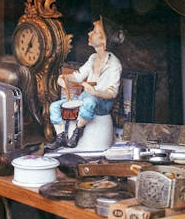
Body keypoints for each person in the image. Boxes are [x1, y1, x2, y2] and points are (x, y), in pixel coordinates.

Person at [45, 16, 125, 150]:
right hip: (87, 98)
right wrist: (64, 78)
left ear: (104, 40)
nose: (89, 33)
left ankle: (77, 132)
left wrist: (95, 92)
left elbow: (112, 92)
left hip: (102, 104)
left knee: (90, 101)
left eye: (94, 31)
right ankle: (61, 137)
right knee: (54, 106)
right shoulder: (93, 58)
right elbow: (78, 76)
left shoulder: (114, 65)